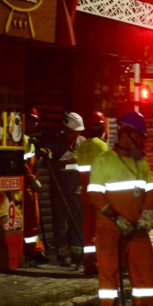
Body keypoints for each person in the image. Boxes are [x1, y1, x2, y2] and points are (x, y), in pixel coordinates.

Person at [87, 111, 153, 306]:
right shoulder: (104, 161)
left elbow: (150, 190)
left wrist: (146, 214)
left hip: (136, 229)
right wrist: (115, 218)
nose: (142, 141)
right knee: (109, 278)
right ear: (125, 134)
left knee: (145, 274)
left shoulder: (140, 162)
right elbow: (95, 195)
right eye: (139, 136)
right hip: (109, 230)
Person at [48, 112, 85, 269]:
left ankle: (78, 255)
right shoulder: (55, 144)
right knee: (61, 225)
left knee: (78, 224)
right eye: (73, 131)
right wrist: (65, 161)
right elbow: (49, 164)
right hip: (60, 191)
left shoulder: (83, 143)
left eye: (78, 132)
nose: (76, 135)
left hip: (77, 189)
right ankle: (64, 256)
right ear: (66, 129)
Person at [76, 112, 110, 276]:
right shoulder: (102, 146)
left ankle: (89, 265)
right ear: (103, 127)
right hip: (99, 194)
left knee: (88, 232)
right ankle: (99, 264)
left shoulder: (82, 147)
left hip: (85, 192)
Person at [22, 108, 50, 265]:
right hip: (27, 187)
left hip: (30, 186)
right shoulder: (24, 140)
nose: (36, 123)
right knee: (32, 220)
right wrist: (32, 179)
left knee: (33, 220)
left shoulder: (28, 140)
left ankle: (33, 249)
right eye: (34, 120)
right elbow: (23, 164)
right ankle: (34, 251)